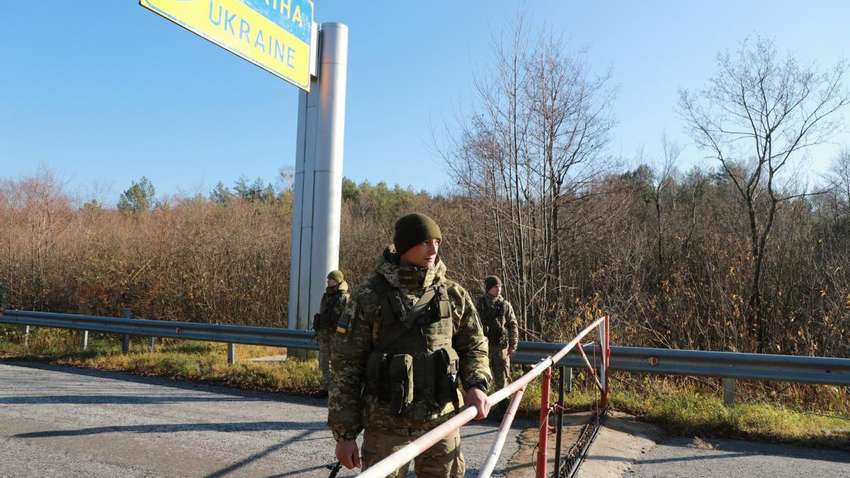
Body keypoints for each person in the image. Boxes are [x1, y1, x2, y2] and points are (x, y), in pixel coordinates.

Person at [329, 213, 492, 478]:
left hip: (442, 420)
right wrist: (345, 435)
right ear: (405, 246)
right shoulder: (369, 296)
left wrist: (476, 383)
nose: (434, 249)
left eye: (437, 242)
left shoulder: (452, 293)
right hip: (386, 426)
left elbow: (474, 345)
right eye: (425, 242)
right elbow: (346, 367)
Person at [475, 275, 518, 401]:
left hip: (501, 349)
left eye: (500, 286)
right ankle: (481, 408)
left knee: (502, 381)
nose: (498, 289)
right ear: (489, 288)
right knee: (482, 380)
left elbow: (512, 325)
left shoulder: (505, 305)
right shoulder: (480, 304)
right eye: (495, 286)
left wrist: (513, 345)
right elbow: (472, 325)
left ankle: (503, 412)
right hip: (483, 348)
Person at [313, 270, 351, 398]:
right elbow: (322, 313)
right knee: (323, 361)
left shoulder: (345, 297)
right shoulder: (326, 296)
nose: (328, 281)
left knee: (336, 363)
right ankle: (325, 388)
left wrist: (344, 335)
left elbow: (348, 318)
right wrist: (319, 329)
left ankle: (336, 389)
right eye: (328, 279)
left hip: (337, 335)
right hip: (325, 334)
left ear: (337, 281)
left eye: (331, 279)